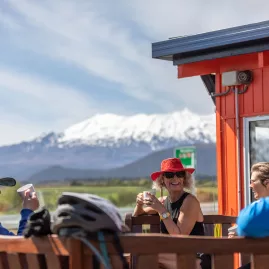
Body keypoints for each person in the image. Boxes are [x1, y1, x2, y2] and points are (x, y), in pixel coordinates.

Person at [133, 158, 209, 269]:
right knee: (142, 256)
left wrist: (161, 210)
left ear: (184, 178)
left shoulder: (190, 201)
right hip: (173, 256)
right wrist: (139, 204)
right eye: (169, 175)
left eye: (180, 174)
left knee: (149, 256)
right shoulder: (164, 201)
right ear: (162, 180)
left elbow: (179, 237)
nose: (175, 178)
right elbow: (137, 215)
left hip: (195, 257)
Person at [228, 162, 269, 238]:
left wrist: (240, 234)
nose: (250, 186)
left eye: (252, 182)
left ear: (267, 183)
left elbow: (244, 225)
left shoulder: (258, 211)